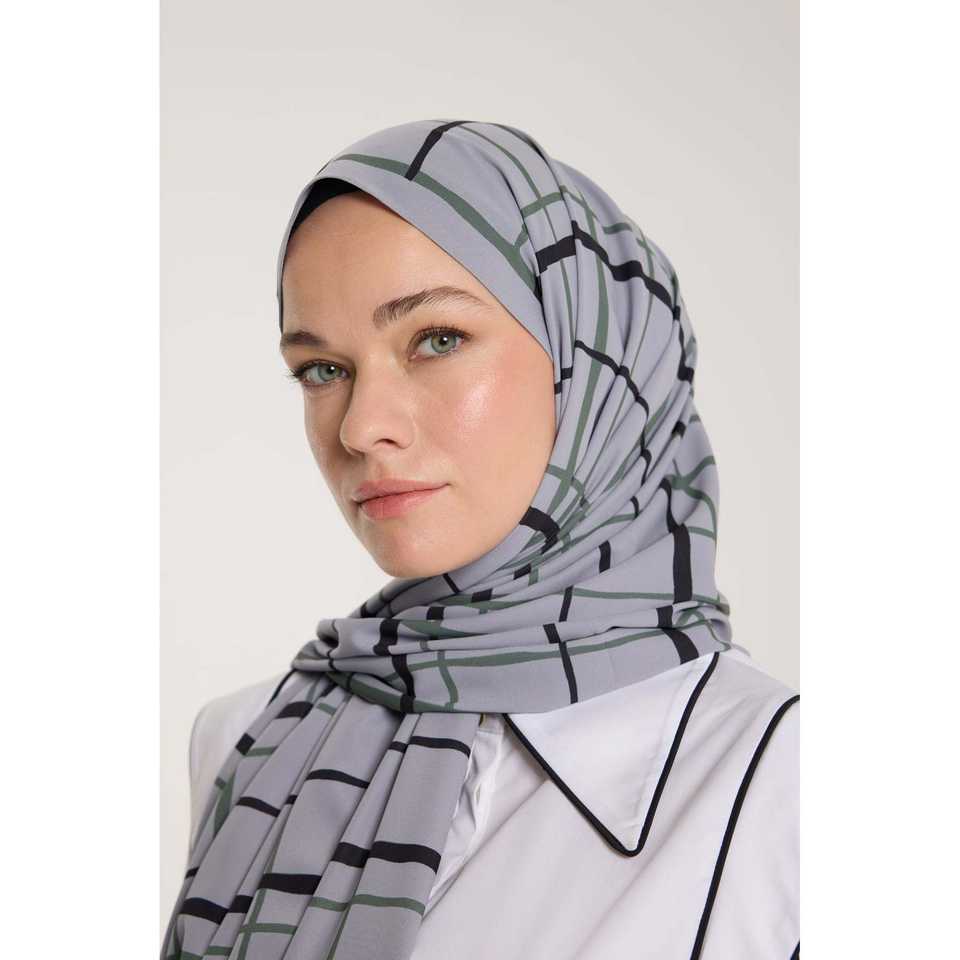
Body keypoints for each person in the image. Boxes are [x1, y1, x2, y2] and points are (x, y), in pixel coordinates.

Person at [162, 119, 799, 960]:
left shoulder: (788, 787)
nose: (360, 426)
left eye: (437, 340)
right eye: (323, 370)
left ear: (592, 360)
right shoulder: (248, 739)